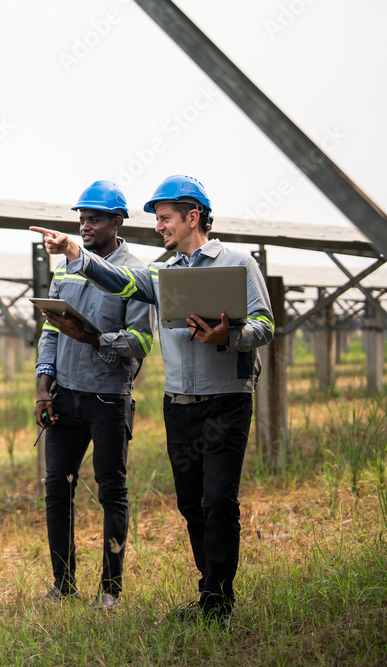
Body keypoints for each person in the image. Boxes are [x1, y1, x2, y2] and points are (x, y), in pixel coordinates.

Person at [30, 174, 274, 628]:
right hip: (178, 404)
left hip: (226, 400)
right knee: (191, 503)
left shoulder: (237, 262)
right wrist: (73, 254)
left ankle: (220, 603)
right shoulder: (163, 275)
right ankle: (210, 596)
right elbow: (117, 280)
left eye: (164, 219)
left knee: (219, 501)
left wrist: (232, 335)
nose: (159, 227)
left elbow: (265, 325)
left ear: (191, 216)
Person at [34, 180, 156, 611]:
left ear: (117, 222)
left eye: (95, 219)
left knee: (112, 492)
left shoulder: (135, 274)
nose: (85, 227)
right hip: (64, 396)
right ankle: (63, 583)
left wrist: (91, 337)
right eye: (82, 219)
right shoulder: (65, 268)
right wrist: (44, 387)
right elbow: (50, 329)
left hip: (107, 398)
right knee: (57, 488)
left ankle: (110, 589)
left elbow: (140, 342)